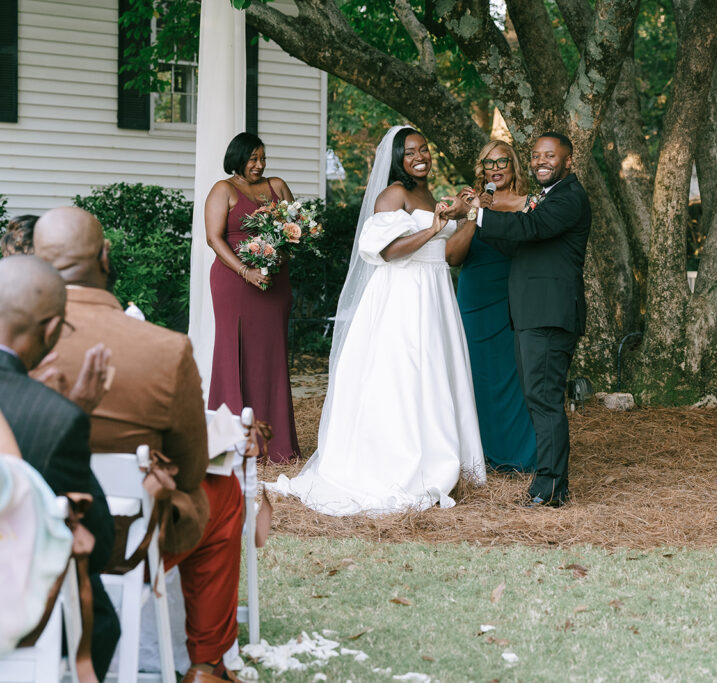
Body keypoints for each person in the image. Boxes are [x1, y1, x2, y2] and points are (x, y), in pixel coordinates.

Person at [33, 207, 245, 682]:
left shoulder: (17, 344)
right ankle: (206, 663)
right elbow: (190, 470)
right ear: (104, 257)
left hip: (24, 534)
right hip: (122, 541)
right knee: (222, 493)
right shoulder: (164, 348)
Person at [267, 126, 485, 516]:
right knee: (404, 377)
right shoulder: (392, 195)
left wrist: (466, 215)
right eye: (411, 151)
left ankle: (440, 457)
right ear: (397, 158)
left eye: (425, 149)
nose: (421, 156)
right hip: (405, 296)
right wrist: (434, 227)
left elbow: (449, 254)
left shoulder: (428, 195)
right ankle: (401, 463)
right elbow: (385, 251)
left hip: (435, 294)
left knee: (435, 375)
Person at [453, 131, 591, 507]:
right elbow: (517, 243)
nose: (541, 161)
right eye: (536, 155)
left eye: (550, 155)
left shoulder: (569, 197)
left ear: (567, 161)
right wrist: (475, 218)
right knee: (538, 398)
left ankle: (550, 488)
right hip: (531, 313)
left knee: (544, 401)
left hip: (549, 313)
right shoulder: (548, 197)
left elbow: (530, 228)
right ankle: (550, 484)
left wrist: (476, 212)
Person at [0, 254, 118, 678]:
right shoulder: (56, 418)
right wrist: (73, 415)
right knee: (101, 621)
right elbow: (99, 543)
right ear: (50, 331)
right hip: (15, 617)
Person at [205, 132, 300, 463]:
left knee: (272, 356)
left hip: (274, 279)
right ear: (237, 159)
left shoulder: (278, 186)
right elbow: (214, 239)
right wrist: (247, 272)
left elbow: (296, 228)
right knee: (234, 354)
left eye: (262, 158)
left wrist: (278, 258)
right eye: (252, 159)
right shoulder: (223, 190)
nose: (259, 165)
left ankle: (276, 445)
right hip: (235, 282)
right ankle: (232, 445)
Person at [446, 140, 537, 472]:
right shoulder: (467, 200)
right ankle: (477, 452)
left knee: (516, 373)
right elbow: (453, 257)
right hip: (475, 297)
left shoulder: (529, 203)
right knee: (476, 373)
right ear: (480, 169)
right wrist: (474, 213)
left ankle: (519, 453)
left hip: (515, 296)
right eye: (489, 163)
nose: (496, 169)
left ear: (513, 166)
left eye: (503, 162)